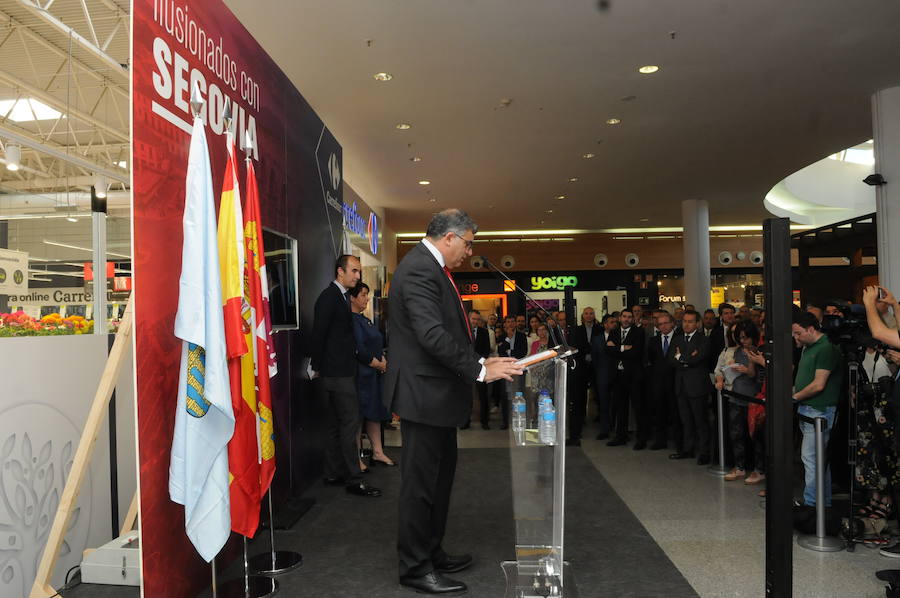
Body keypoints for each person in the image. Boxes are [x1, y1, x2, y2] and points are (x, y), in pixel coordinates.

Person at [385, 209, 522, 594]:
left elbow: (446, 335)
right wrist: (480, 372)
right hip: (423, 396)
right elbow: (431, 335)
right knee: (420, 486)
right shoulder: (417, 270)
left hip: (437, 396)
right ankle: (414, 568)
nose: (469, 251)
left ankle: (432, 551)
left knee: (440, 482)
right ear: (448, 237)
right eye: (467, 243)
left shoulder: (432, 269)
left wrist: (482, 359)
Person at [311, 254, 381, 498]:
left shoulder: (339, 297)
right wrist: (316, 364)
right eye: (354, 271)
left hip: (336, 372)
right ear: (340, 271)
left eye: (358, 272)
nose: (358, 276)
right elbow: (319, 333)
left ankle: (333, 473)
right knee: (350, 424)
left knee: (335, 425)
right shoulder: (330, 297)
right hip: (336, 373)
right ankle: (354, 479)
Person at [791, 311, 844, 508]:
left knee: (812, 460)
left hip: (819, 411)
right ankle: (822, 503)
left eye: (798, 333)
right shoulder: (808, 347)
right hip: (808, 410)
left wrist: (793, 397)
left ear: (811, 329)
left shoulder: (826, 348)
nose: (795, 338)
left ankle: (813, 505)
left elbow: (818, 384)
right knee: (818, 461)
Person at [349, 281, 395, 469]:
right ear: (352, 298)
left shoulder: (365, 320)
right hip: (362, 376)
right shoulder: (351, 320)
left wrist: (382, 362)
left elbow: (376, 343)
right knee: (359, 415)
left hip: (375, 375)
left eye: (367, 294)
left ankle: (378, 452)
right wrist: (378, 364)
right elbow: (358, 349)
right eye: (363, 295)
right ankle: (357, 458)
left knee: (374, 414)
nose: (367, 298)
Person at [669, 310, 713, 464]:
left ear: (697, 323)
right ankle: (688, 449)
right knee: (686, 420)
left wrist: (681, 357)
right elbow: (671, 360)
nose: (686, 324)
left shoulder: (703, 340)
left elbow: (698, 359)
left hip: (697, 386)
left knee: (700, 421)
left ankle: (705, 452)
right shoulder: (677, 339)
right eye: (684, 321)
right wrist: (686, 359)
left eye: (690, 321)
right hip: (681, 386)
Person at [605, 308, 645, 447]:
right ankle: (620, 437)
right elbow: (608, 350)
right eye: (624, 316)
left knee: (638, 407)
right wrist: (624, 348)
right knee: (620, 407)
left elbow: (636, 352)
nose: (627, 319)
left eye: (629, 317)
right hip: (618, 375)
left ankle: (641, 439)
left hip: (633, 375)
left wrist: (617, 349)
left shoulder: (639, 332)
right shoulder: (614, 331)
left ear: (633, 319)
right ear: (620, 318)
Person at [647, 312, 681, 451]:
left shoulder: (679, 339)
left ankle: (679, 442)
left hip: (675, 381)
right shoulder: (653, 341)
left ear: (672, 323)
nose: (663, 326)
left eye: (666, 323)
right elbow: (652, 360)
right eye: (660, 324)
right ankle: (660, 440)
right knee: (660, 412)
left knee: (676, 413)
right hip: (659, 382)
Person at [498, 315, 528, 430]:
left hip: (518, 369)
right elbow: (501, 352)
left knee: (518, 394)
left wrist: (509, 351)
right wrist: (507, 340)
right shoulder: (502, 336)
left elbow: (522, 352)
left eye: (512, 321)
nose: (510, 324)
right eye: (508, 322)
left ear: (515, 323)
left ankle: (519, 419)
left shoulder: (521, 336)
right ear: (505, 324)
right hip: (505, 369)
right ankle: (505, 421)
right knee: (505, 395)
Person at [593, 314, 618, 439]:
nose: (614, 324)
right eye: (611, 322)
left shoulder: (619, 336)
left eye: (615, 322)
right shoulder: (597, 339)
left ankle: (617, 428)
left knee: (617, 402)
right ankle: (605, 429)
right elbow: (595, 358)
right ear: (605, 324)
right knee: (603, 403)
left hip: (618, 373)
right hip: (602, 374)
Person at [470, 310, 493, 430]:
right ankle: (465, 421)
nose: (475, 321)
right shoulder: (463, 331)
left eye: (477, 319)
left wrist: (478, 362)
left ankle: (485, 421)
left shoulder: (484, 332)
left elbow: (486, 350)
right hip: (466, 367)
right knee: (466, 395)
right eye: (473, 319)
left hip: (480, 367)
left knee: (483, 395)